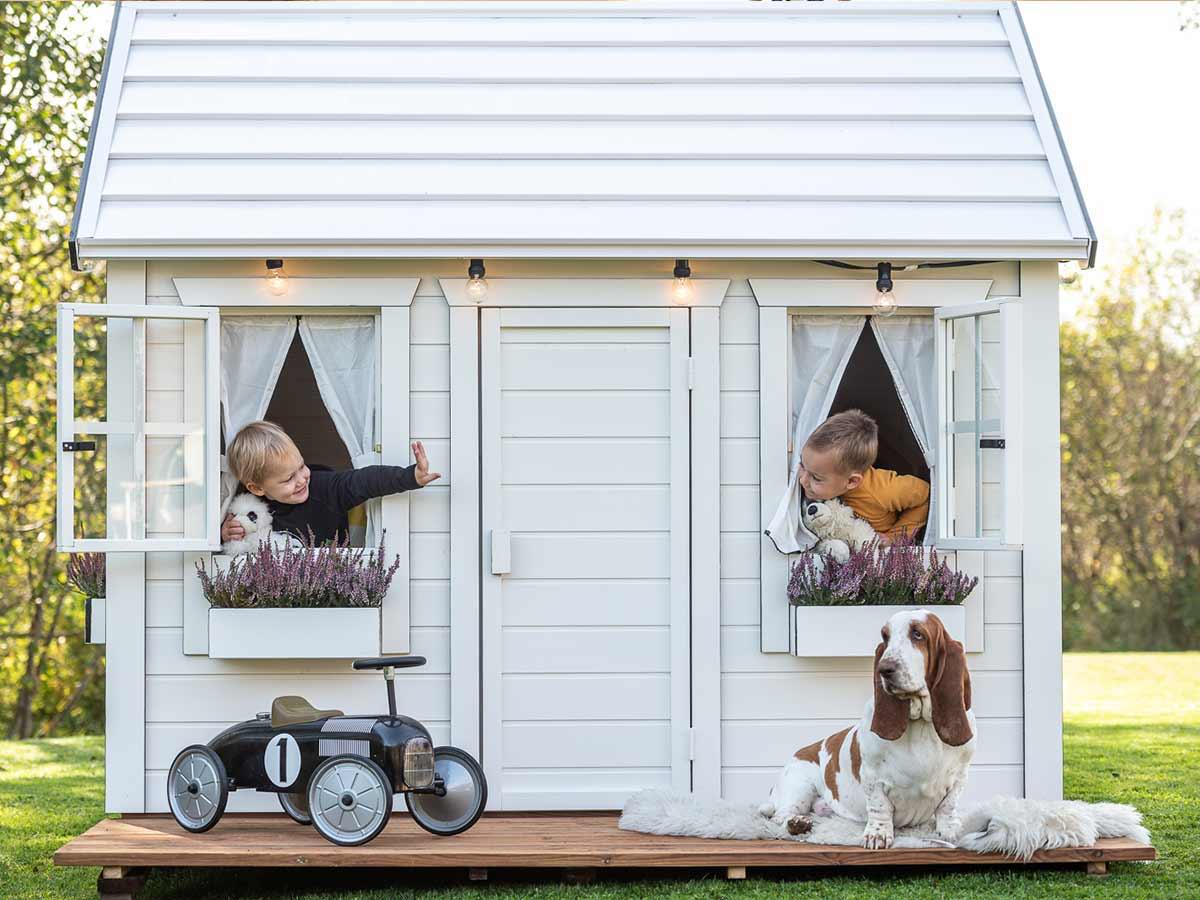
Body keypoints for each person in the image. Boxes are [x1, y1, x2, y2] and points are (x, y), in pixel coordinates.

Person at [220, 420, 439, 546]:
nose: (301, 480)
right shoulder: (249, 509)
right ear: (257, 487)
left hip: (332, 589)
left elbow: (364, 481)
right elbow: (235, 544)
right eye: (288, 478)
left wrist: (411, 477)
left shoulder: (325, 488)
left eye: (301, 467)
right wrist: (227, 534)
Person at [798, 409, 929, 542]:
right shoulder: (823, 480)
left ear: (851, 481)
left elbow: (925, 496)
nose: (803, 481)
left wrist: (894, 537)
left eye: (816, 478)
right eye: (802, 466)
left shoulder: (882, 490)